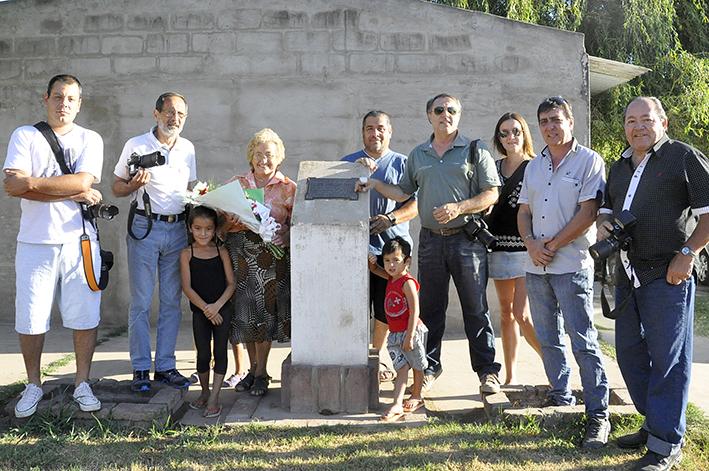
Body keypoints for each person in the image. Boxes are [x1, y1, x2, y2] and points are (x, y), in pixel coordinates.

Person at [357, 93, 502, 394]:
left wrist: (459, 207)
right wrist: (374, 183)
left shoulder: (475, 150)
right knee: (431, 310)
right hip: (430, 242)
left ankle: (487, 372)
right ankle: (430, 367)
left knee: (475, 308)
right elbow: (402, 192)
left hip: (466, 241)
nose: (445, 114)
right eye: (439, 110)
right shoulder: (418, 154)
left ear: (458, 116)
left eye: (452, 110)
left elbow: (491, 193)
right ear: (429, 116)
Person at [597, 97, 709, 470]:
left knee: (668, 360)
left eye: (646, 119)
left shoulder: (683, 156)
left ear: (662, 122)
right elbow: (609, 208)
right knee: (628, 352)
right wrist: (605, 223)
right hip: (628, 272)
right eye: (631, 120)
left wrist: (688, 254)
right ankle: (653, 423)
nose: (638, 126)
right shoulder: (620, 164)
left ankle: (666, 444)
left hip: (668, 272)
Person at [3, 74, 103, 417]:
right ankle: (33, 384)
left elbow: (83, 179)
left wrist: (33, 182)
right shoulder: (25, 135)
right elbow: (13, 187)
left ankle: (82, 383)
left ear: (79, 103)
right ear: (46, 98)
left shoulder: (91, 139)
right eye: (58, 96)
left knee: (84, 314)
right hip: (35, 242)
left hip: (80, 241)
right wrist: (73, 191)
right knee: (30, 316)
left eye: (71, 99)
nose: (64, 104)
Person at [517, 97, 610, 449]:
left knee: (582, 340)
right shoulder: (534, 165)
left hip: (570, 266)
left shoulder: (589, 161)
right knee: (548, 337)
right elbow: (523, 211)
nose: (549, 126)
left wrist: (551, 245)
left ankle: (597, 414)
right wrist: (530, 243)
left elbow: (588, 213)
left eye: (556, 119)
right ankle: (561, 399)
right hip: (536, 266)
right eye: (543, 121)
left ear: (570, 121)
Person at [112, 92, 196, 392]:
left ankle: (165, 366)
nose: (176, 118)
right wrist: (133, 185)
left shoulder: (187, 148)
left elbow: (187, 190)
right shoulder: (136, 145)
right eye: (170, 112)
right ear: (156, 114)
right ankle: (139, 369)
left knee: (173, 302)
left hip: (177, 229)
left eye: (181, 114)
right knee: (142, 302)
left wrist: (199, 196)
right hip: (145, 226)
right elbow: (116, 187)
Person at [342, 110, 418, 383]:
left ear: (390, 131)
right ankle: (356, 360)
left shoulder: (405, 164)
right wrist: (356, 172)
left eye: (381, 128)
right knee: (354, 307)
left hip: (393, 254)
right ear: (362, 133)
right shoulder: (347, 163)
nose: (375, 133)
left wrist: (390, 219)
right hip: (354, 251)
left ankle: (379, 358)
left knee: (388, 310)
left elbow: (415, 204)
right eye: (369, 128)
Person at [220, 128, 296, 397]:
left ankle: (262, 372)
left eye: (270, 155)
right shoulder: (237, 183)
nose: (264, 160)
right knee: (245, 317)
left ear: (279, 158)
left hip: (271, 260)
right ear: (250, 156)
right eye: (259, 154)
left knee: (264, 317)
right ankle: (252, 371)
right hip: (240, 257)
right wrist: (230, 222)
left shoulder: (288, 187)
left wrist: (286, 235)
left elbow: (296, 225)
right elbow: (220, 223)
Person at [485, 113, 543, 385]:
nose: (511, 137)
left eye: (516, 132)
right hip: (497, 248)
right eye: (504, 133)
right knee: (506, 315)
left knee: (522, 314)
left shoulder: (536, 167)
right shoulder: (492, 168)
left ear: (524, 134)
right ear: (499, 138)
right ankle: (510, 377)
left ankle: (553, 365)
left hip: (525, 249)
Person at [180, 205, 236, 418]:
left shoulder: (221, 251)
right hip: (200, 312)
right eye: (198, 228)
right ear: (190, 228)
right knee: (203, 354)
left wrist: (216, 307)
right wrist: (206, 309)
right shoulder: (186, 253)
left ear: (215, 230)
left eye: (208, 229)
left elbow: (231, 283)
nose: (203, 234)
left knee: (220, 351)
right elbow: (187, 287)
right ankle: (204, 391)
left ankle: (214, 397)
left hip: (222, 310)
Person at [368, 237, 428, 421]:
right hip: (395, 334)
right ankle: (397, 403)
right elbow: (376, 270)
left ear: (407, 261)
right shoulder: (391, 277)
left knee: (417, 366)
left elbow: (415, 310)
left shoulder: (407, 282)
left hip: (411, 332)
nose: (391, 265)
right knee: (401, 368)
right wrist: (372, 264)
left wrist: (409, 336)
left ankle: (417, 396)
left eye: (396, 260)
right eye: (387, 260)